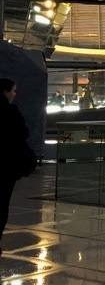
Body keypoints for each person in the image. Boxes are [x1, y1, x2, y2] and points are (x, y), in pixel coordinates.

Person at [0, 78, 31, 255]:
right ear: (5, 92)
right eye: (13, 91)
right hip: (6, 166)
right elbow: (23, 133)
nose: (14, 94)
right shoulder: (10, 111)